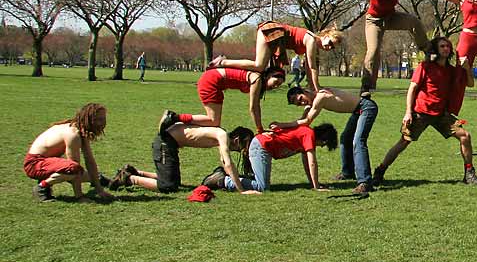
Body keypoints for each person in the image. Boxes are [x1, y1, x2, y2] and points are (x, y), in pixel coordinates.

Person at [373, 36, 477, 186]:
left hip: (441, 115)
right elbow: (412, 89)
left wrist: (467, 68)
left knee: (465, 136)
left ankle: (469, 173)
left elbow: (470, 83)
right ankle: (380, 171)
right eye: (442, 46)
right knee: (403, 142)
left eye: (448, 46)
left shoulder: (451, 70)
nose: (446, 49)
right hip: (421, 113)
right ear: (436, 49)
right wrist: (408, 112)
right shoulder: (425, 67)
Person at [277, 86, 378, 195]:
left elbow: (307, 121)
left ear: (305, 91)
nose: (302, 103)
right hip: (357, 110)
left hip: (366, 108)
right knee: (345, 139)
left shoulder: (321, 97)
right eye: (299, 104)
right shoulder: (314, 98)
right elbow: (302, 120)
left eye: (301, 99)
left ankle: (365, 182)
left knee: (358, 142)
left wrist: (282, 125)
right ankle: (348, 172)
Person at [353, 0, 432, 95]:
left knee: (413, 21)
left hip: (391, 17)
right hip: (374, 22)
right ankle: (367, 85)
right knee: (373, 51)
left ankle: (428, 49)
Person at [109, 125, 257, 195]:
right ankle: (130, 179)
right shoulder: (222, 135)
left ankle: (136, 172)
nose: (242, 151)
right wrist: (241, 190)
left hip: (170, 144)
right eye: (244, 146)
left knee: (174, 182)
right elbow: (227, 163)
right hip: (166, 143)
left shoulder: (219, 135)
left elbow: (225, 164)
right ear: (237, 140)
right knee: (168, 186)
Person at [205, 123, 338, 193]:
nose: (320, 147)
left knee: (260, 183)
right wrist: (316, 187)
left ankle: (224, 175)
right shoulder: (309, 135)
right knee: (262, 187)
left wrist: (314, 183)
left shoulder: (305, 136)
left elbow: (307, 165)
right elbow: (312, 162)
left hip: (262, 147)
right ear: (324, 139)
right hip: (261, 147)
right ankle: (222, 180)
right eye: (323, 144)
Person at [212, 22, 342, 93]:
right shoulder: (312, 41)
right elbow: (312, 67)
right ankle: (222, 62)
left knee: (262, 68)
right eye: (330, 43)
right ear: (325, 35)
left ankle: (226, 67)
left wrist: (311, 85)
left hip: (275, 34)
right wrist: (317, 87)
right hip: (274, 32)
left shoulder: (312, 43)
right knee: (259, 65)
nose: (329, 47)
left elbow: (309, 66)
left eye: (332, 47)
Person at [24, 103, 113, 202]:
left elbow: (90, 160)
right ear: (88, 119)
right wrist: (80, 197)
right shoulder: (73, 135)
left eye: (103, 119)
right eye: (98, 120)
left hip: (46, 163)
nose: (101, 123)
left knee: (89, 174)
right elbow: (74, 168)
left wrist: (99, 189)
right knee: (73, 169)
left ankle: (104, 181)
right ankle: (42, 188)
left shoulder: (81, 130)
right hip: (34, 164)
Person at [159, 66, 286, 135]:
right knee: (213, 122)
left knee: (214, 122)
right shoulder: (257, 79)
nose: (275, 86)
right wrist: (260, 130)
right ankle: (174, 117)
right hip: (211, 81)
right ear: (269, 75)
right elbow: (254, 107)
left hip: (214, 82)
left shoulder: (257, 77)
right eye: (275, 82)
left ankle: (175, 120)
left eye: (278, 85)